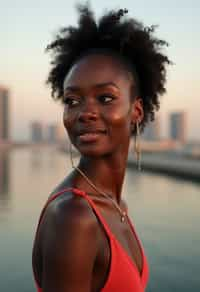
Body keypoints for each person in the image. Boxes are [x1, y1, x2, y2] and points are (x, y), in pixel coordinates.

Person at [32, 4, 171, 292]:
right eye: (72, 100)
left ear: (137, 111)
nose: (85, 112)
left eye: (105, 98)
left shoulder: (117, 206)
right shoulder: (74, 217)